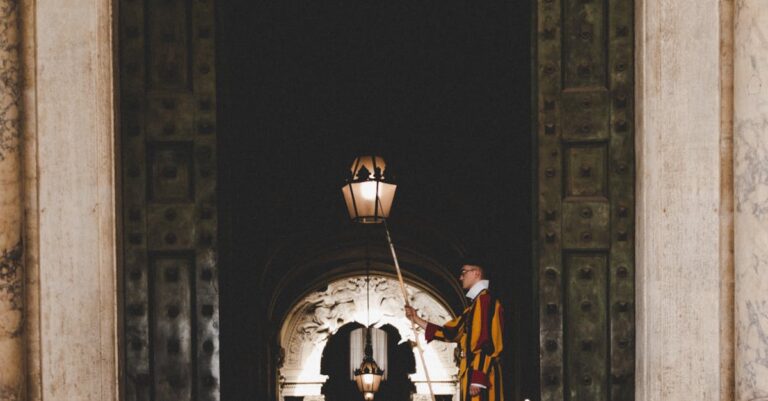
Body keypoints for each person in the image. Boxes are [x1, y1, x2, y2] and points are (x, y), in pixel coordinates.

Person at [405, 261, 504, 401]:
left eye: (464, 272)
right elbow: (449, 332)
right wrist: (416, 319)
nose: (460, 277)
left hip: (482, 377)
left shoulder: (485, 301)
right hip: (472, 374)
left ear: (477, 273)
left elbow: (486, 341)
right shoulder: (473, 307)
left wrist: (478, 377)